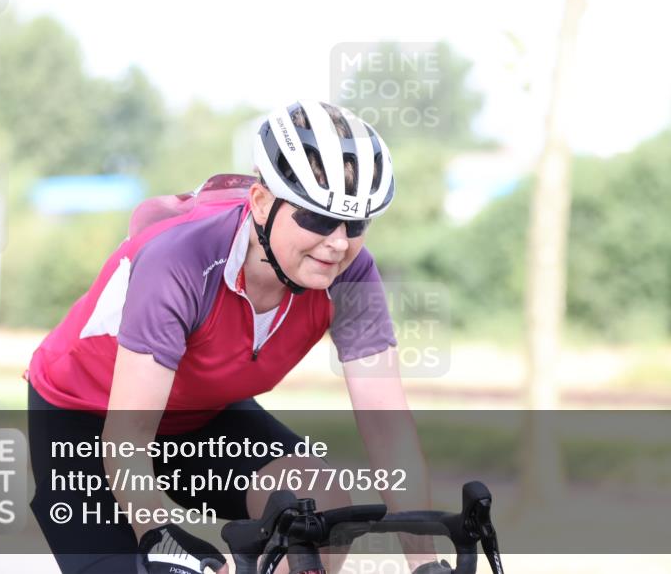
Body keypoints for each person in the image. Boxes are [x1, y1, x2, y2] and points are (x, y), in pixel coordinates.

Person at [26, 100, 443, 574]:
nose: (339, 243)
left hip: (202, 415)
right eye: (319, 219)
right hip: (86, 414)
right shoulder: (181, 263)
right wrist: (160, 534)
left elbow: (389, 430)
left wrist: (424, 563)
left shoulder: (350, 277)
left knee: (319, 510)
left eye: (357, 223)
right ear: (262, 202)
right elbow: (127, 438)